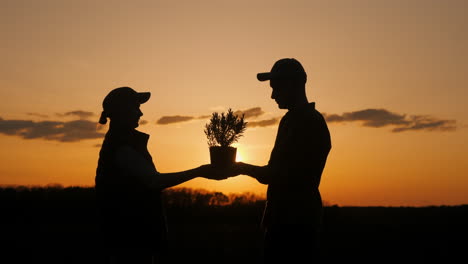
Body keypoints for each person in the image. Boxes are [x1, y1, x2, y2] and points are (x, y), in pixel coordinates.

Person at [95, 86, 229, 264]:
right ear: (123, 111)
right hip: (129, 237)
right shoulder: (122, 146)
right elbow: (153, 180)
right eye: (136, 107)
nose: (140, 113)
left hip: (130, 235)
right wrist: (200, 171)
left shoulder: (122, 142)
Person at [235, 58, 331, 263]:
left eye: (277, 87)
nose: (272, 95)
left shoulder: (308, 123)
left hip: (295, 223)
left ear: (294, 84)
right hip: (285, 219)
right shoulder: (291, 120)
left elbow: (279, 174)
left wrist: (241, 168)